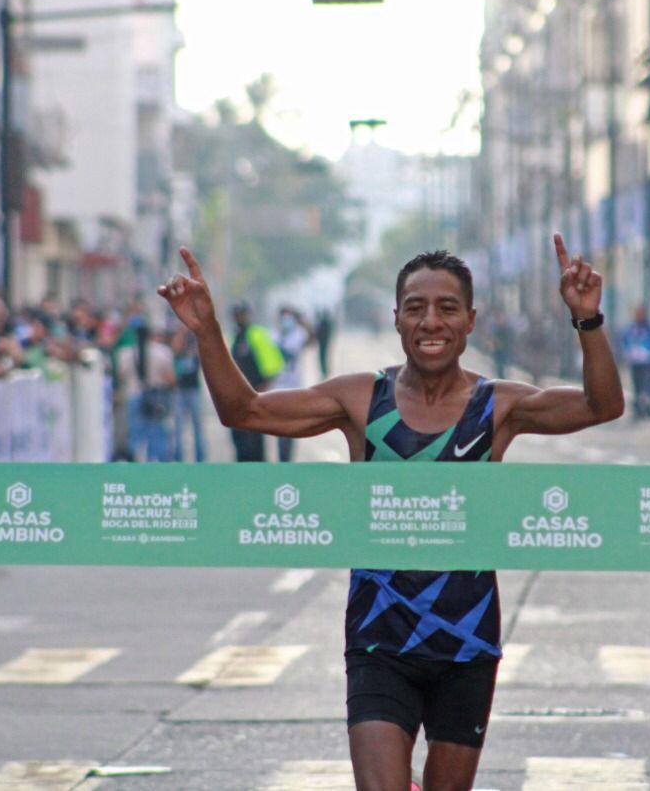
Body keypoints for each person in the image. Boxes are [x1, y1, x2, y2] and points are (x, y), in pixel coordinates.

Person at [157, 235, 624, 791]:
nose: (431, 322)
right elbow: (245, 410)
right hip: (380, 640)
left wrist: (587, 321)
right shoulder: (360, 399)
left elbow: (602, 405)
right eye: (416, 308)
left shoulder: (498, 406)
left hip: (467, 641)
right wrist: (207, 329)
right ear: (397, 319)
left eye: (447, 308)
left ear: (470, 320)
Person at [227, 302, 284, 461]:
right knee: (239, 443)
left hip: (253, 397)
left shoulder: (257, 334)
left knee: (254, 444)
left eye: (241, 314)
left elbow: (273, 367)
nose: (238, 318)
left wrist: (260, 393)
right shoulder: (236, 336)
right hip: (238, 399)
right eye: (236, 315)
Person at [115, 323, 176, 462]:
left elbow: (120, 376)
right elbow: (170, 378)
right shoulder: (163, 352)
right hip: (156, 396)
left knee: (136, 434)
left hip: (134, 394)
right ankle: (156, 464)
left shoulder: (125, 354)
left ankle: (137, 463)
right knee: (157, 433)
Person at [272, 307, 313, 462]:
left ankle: (288, 460)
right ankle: (283, 460)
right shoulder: (273, 335)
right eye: (283, 318)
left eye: (289, 318)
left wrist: (304, 321)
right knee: (280, 428)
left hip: (294, 388)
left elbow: (312, 339)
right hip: (276, 388)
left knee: (292, 427)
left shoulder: (298, 334)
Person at [171, 327, 206, 462]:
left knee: (198, 426)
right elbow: (175, 349)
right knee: (178, 427)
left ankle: (200, 458)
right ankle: (178, 457)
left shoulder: (196, 339)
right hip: (180, 389)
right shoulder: (178, 338)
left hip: (194, 389)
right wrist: (181, 332)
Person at [620, 305, 650, 419]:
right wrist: (626, 355)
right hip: (634, 361)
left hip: (647, 360)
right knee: (636, 386)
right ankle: (638, 408)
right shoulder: (630, 328)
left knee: (647, 385)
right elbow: (625, 342)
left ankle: (648, 407)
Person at [315, 307, 334, 378]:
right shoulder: (326, 322)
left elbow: (322, 333)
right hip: (323, 343)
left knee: (323, 358)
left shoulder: (324, 323)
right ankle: (324, 371)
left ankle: (324, 372)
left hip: (323, 343)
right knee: (322, 358)